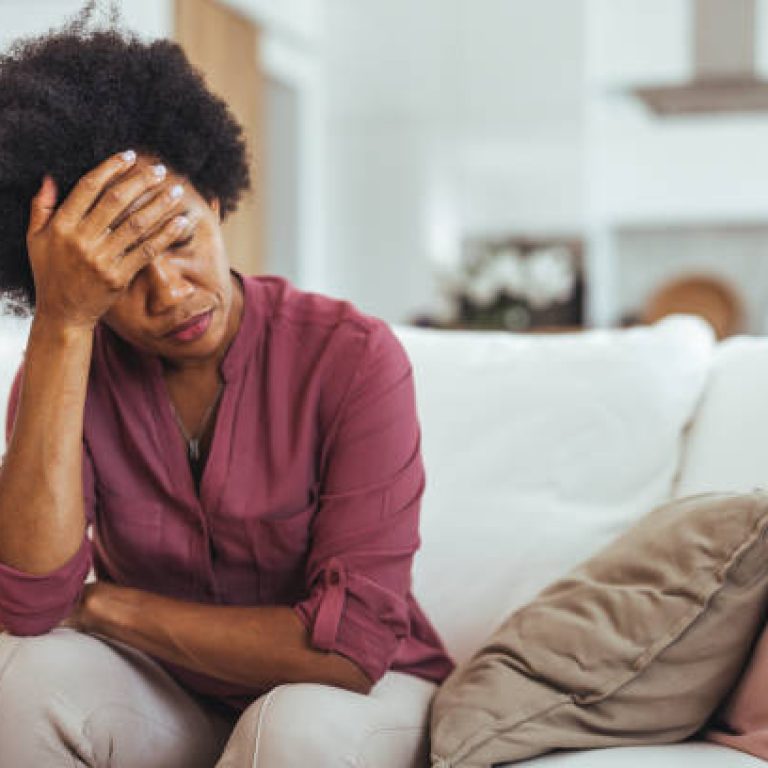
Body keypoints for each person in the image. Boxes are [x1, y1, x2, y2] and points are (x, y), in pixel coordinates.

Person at [0, 8, 454, 766]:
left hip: (364, 701)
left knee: (289, 728)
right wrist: (63, 324)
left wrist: (106, 603)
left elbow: (348, 649)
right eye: (118, 275)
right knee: (20, 681)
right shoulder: (66, 364)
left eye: (180, 240)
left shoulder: (351, 357)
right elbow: (31, 603)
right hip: (180, 695)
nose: (171, 293)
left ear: (215, 200)